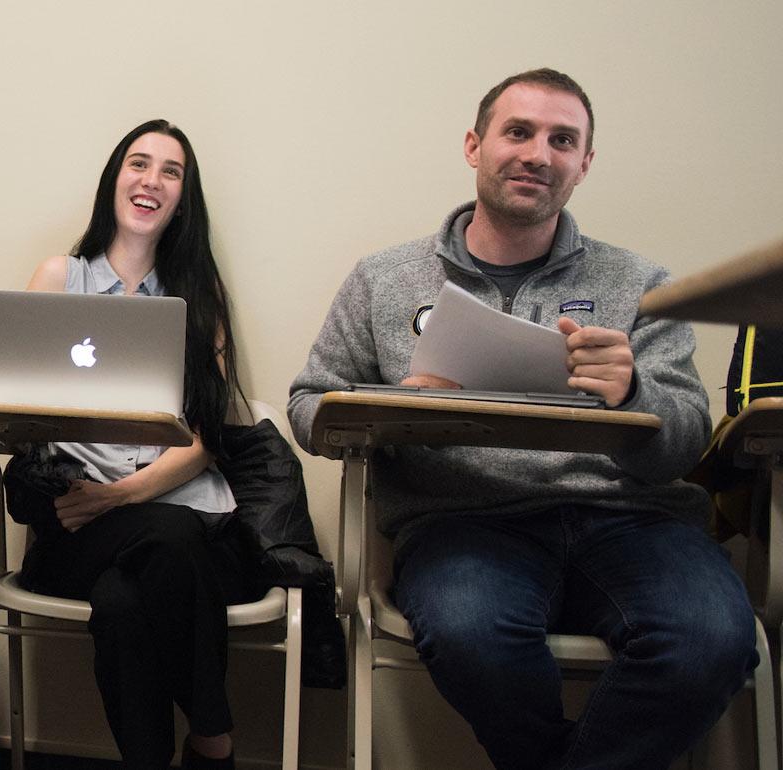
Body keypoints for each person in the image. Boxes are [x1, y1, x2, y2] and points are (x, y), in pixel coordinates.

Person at [287, 68, 755, 769]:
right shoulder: (385, 279)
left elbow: (687, 436)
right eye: (519, 132)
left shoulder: (641, 283)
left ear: (584, 165)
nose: (539, 153)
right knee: (472, 635)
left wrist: (632, 397)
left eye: (562, 139)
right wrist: (397, 410)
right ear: (475, 145)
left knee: (714, 641)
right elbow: (307, 406)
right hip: (464, 523)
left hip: (635, 522)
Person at [12, 120, 257, 770]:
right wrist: (83, 498)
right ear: (113, 179)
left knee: (126, 598)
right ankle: (214, 747)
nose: (151, 180)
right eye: (138, 163)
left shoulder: (199, 297)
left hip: (181, 522)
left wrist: (115, 497)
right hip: (75, 527)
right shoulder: (58, 276)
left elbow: (205, 441)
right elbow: (20, 417)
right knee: (166, 542)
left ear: (183, 197)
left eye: (170, 171)